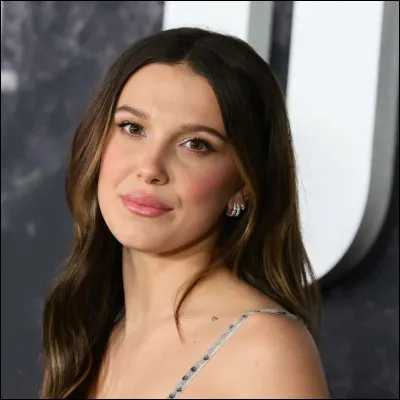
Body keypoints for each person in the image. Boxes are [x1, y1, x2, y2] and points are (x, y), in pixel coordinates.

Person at [40, 27, 330, 399]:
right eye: (132, 127)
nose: (150, 167)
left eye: (195, 144)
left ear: (243, 184)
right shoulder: (91, 337)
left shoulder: (265, 352)